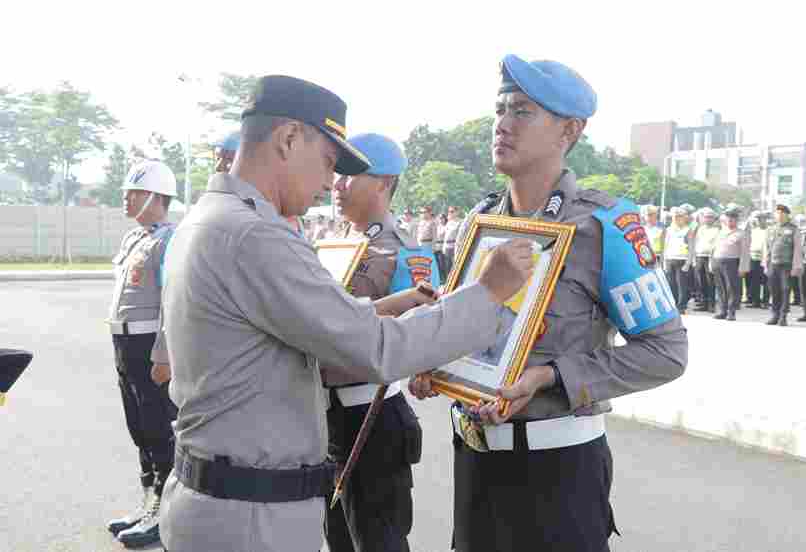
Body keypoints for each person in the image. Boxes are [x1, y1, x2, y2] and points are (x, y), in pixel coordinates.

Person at [155, 74, 534, 552]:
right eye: (328, 162)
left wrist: (376, 308)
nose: (327, 184)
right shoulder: (255, 235)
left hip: (220, 499)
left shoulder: (211, 219)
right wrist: (488, 292)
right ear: (289, 139)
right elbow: (376, 351)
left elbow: (281, 327)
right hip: (248, 519)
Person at [410, 54, 687, 552]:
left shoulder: (604, 226)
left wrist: (551, 376)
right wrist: (437, 362)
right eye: (500, 110)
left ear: (568, 132)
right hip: (474, 461)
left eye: (522, 111)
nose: (502, 125)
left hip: (558, 474)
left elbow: (666, 353)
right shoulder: (480, 223)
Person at [325, 132, 436, 552]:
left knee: (377, 541)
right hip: (323, 418)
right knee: (337, 539)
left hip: (369, 416)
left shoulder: (406, 253)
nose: (337, 184)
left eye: (350, 175)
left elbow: (427, 329)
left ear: (384, 183)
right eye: (336, 175)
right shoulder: (333, 245)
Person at [106, 160, 179, 549]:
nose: (126, 198)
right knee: (139, 428)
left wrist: (163, 354)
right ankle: (147, 502)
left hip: (149, 345)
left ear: (155, 196)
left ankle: (162, 515)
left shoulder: (170, 240)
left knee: (158, 429)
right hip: (124, 342)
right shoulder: (133, 239)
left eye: (133, 192)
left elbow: (172, 301)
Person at [763, 204, 803, 326]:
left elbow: (797, 249)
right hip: (773, 264)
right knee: (774, 290)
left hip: (787, 265)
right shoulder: (770, 229)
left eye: (782, 213)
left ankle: (783, 316)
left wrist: (796, 266)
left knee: (785, 290)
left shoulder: (793, 229)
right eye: (777, 213)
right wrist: (765, 264)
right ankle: (774, 314)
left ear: (786, 215)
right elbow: (766, 248)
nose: (779, 215)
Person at [710, 206, 750, 320]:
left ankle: (731, 312)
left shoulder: (741, 233)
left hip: (732, 262)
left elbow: (745, 252)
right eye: (728, 219)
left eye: (732, 219)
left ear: (736, 220)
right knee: (720, 288)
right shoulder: (720, 232)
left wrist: (743, 268)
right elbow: (713, 249)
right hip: (717, 261)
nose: (730, 221)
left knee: (731, 288)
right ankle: (722, 310)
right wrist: (711, 263)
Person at [663, 206, 695, 313]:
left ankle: (681, 306)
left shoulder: (688, 230)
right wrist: (664, 261)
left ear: (684, 218)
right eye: (675, 217)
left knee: (682, 285)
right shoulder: (668, 230)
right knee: (671, 284)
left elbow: (691, 248)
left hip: (682, 260)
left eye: (679, 217)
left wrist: (688, 263)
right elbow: (665, 246)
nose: (676, 219)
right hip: (670, 259)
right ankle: (673, 304)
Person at [693, 208, 719, 312]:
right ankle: (703, 302)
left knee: (710, 282)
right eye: (706, 217)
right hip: (699, 256)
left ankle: (711, 304)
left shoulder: (717, 230)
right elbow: (695, 243)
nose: (707, 219)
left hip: (710, 257)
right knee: (701, 281)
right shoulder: (699, 229)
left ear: (713, 219)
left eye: (710, 217)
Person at [745, 212, 769, 308]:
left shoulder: (769, 230)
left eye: (762, 219)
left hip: (765, 258)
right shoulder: (754, 230)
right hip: (754, 258)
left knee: (766, 281)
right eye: (758, 219)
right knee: (754, 281)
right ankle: (755, 301)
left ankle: (765, 301)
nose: (760, 221)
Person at [443, 205, 463, 275]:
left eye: (452, 211)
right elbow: (445, 235)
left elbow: (461, 235)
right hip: (447, 246)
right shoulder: (449, 222)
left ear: (457, 212)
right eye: (449, 212)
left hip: (455, 245)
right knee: (447, 266)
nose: (450, 213)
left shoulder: (460, 222)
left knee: (455, 265)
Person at [435, 213, 447, 281]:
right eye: (440, 218)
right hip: (436, 247)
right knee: (437, 265)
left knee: (442, 264)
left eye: (442, 218)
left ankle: (445, 278)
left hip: (442, 247)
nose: (441, 220)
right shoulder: (437, 227)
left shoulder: (446, 226)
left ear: (445, 219)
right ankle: (440, 279)